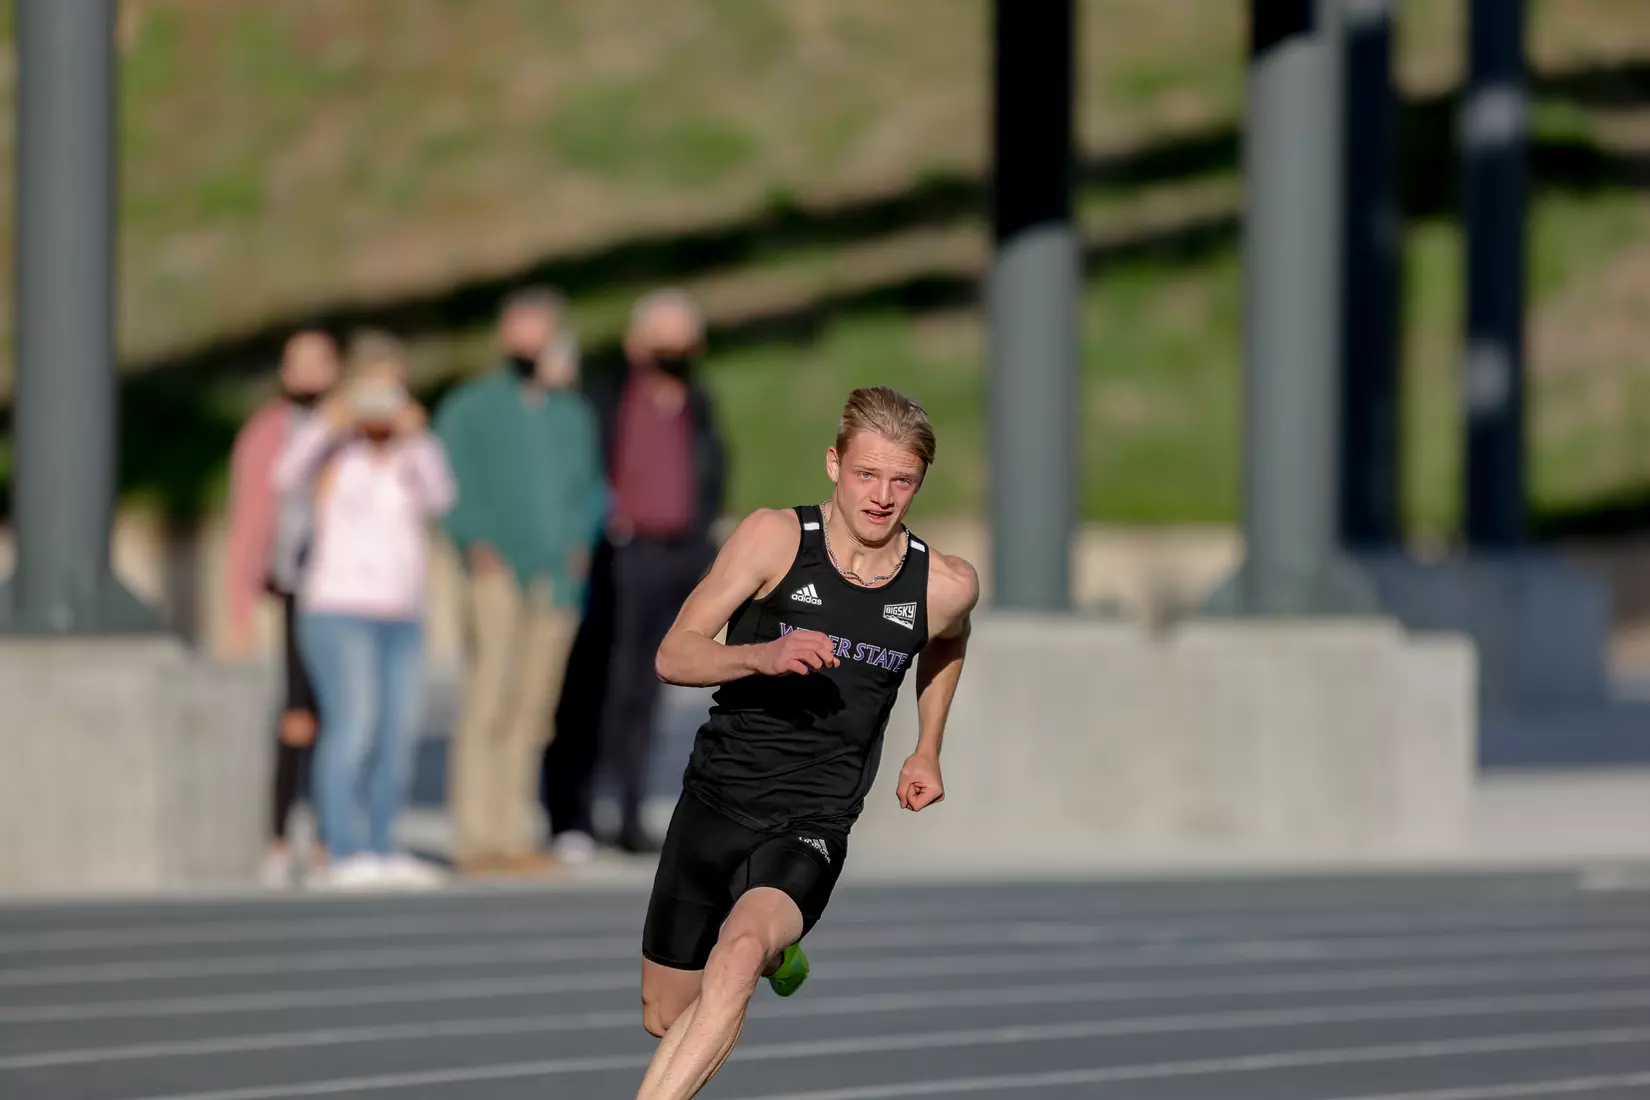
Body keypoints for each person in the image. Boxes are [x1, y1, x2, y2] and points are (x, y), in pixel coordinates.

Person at [633, 386, 978, 1100]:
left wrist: (927, 748)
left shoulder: (943, 585)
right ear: (834, 464)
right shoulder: (775, 539)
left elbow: (949, 643)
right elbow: (674, 655)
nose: (882, 496)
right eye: (866, 474)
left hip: (813, 820)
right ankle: (775, 959)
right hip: (716, 800)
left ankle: (760, 952)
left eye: (901, 480)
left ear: (919, 482)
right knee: (666, 1015)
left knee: (737, 957)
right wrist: (760, 656)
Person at [273, 332, 457, 891]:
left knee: (398, 734)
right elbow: (282, 477)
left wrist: (416, 434)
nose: (381, 405)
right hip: (337, 608)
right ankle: (342, 847)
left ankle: (381, 842)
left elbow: (443, 497)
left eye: (392, 391)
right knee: (354, 724)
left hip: (401, 612)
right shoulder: (332, 447)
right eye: (371, 392)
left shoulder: (409, 451)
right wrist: (333, 421)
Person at [547, 288, 726, 858]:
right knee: (597, 684)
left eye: (683, 338)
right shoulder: (605, 400)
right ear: (636, 343)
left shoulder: (699, 404)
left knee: (650, 689)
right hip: (618, 551)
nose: (674, 349)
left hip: (678, 556)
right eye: (662, 338)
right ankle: (572, 812)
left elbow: (710, 475)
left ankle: (627, 812)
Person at [433, 289, 605, 877]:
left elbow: (587, 491)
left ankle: (512, 833)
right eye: (524, 330)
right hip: (495, 574)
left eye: (545, 330)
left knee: (534, 709)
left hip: (555, 582)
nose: (535, 342)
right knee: (490, 698)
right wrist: (475, 542)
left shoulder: (571, 414)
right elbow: (449, 483)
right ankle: (475, 837)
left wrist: (578, 549)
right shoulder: (470, 407)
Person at [223, 329, 341, 888]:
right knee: (297, 714)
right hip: (300, 584)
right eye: (300, 363)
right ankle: (279, 836)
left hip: (352, 591)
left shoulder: (354, 425)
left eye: (321, 361)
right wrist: (239, 604)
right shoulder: (269, 431)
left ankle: (329, 835)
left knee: (342, 717)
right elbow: (249, 517)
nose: (311, 374)